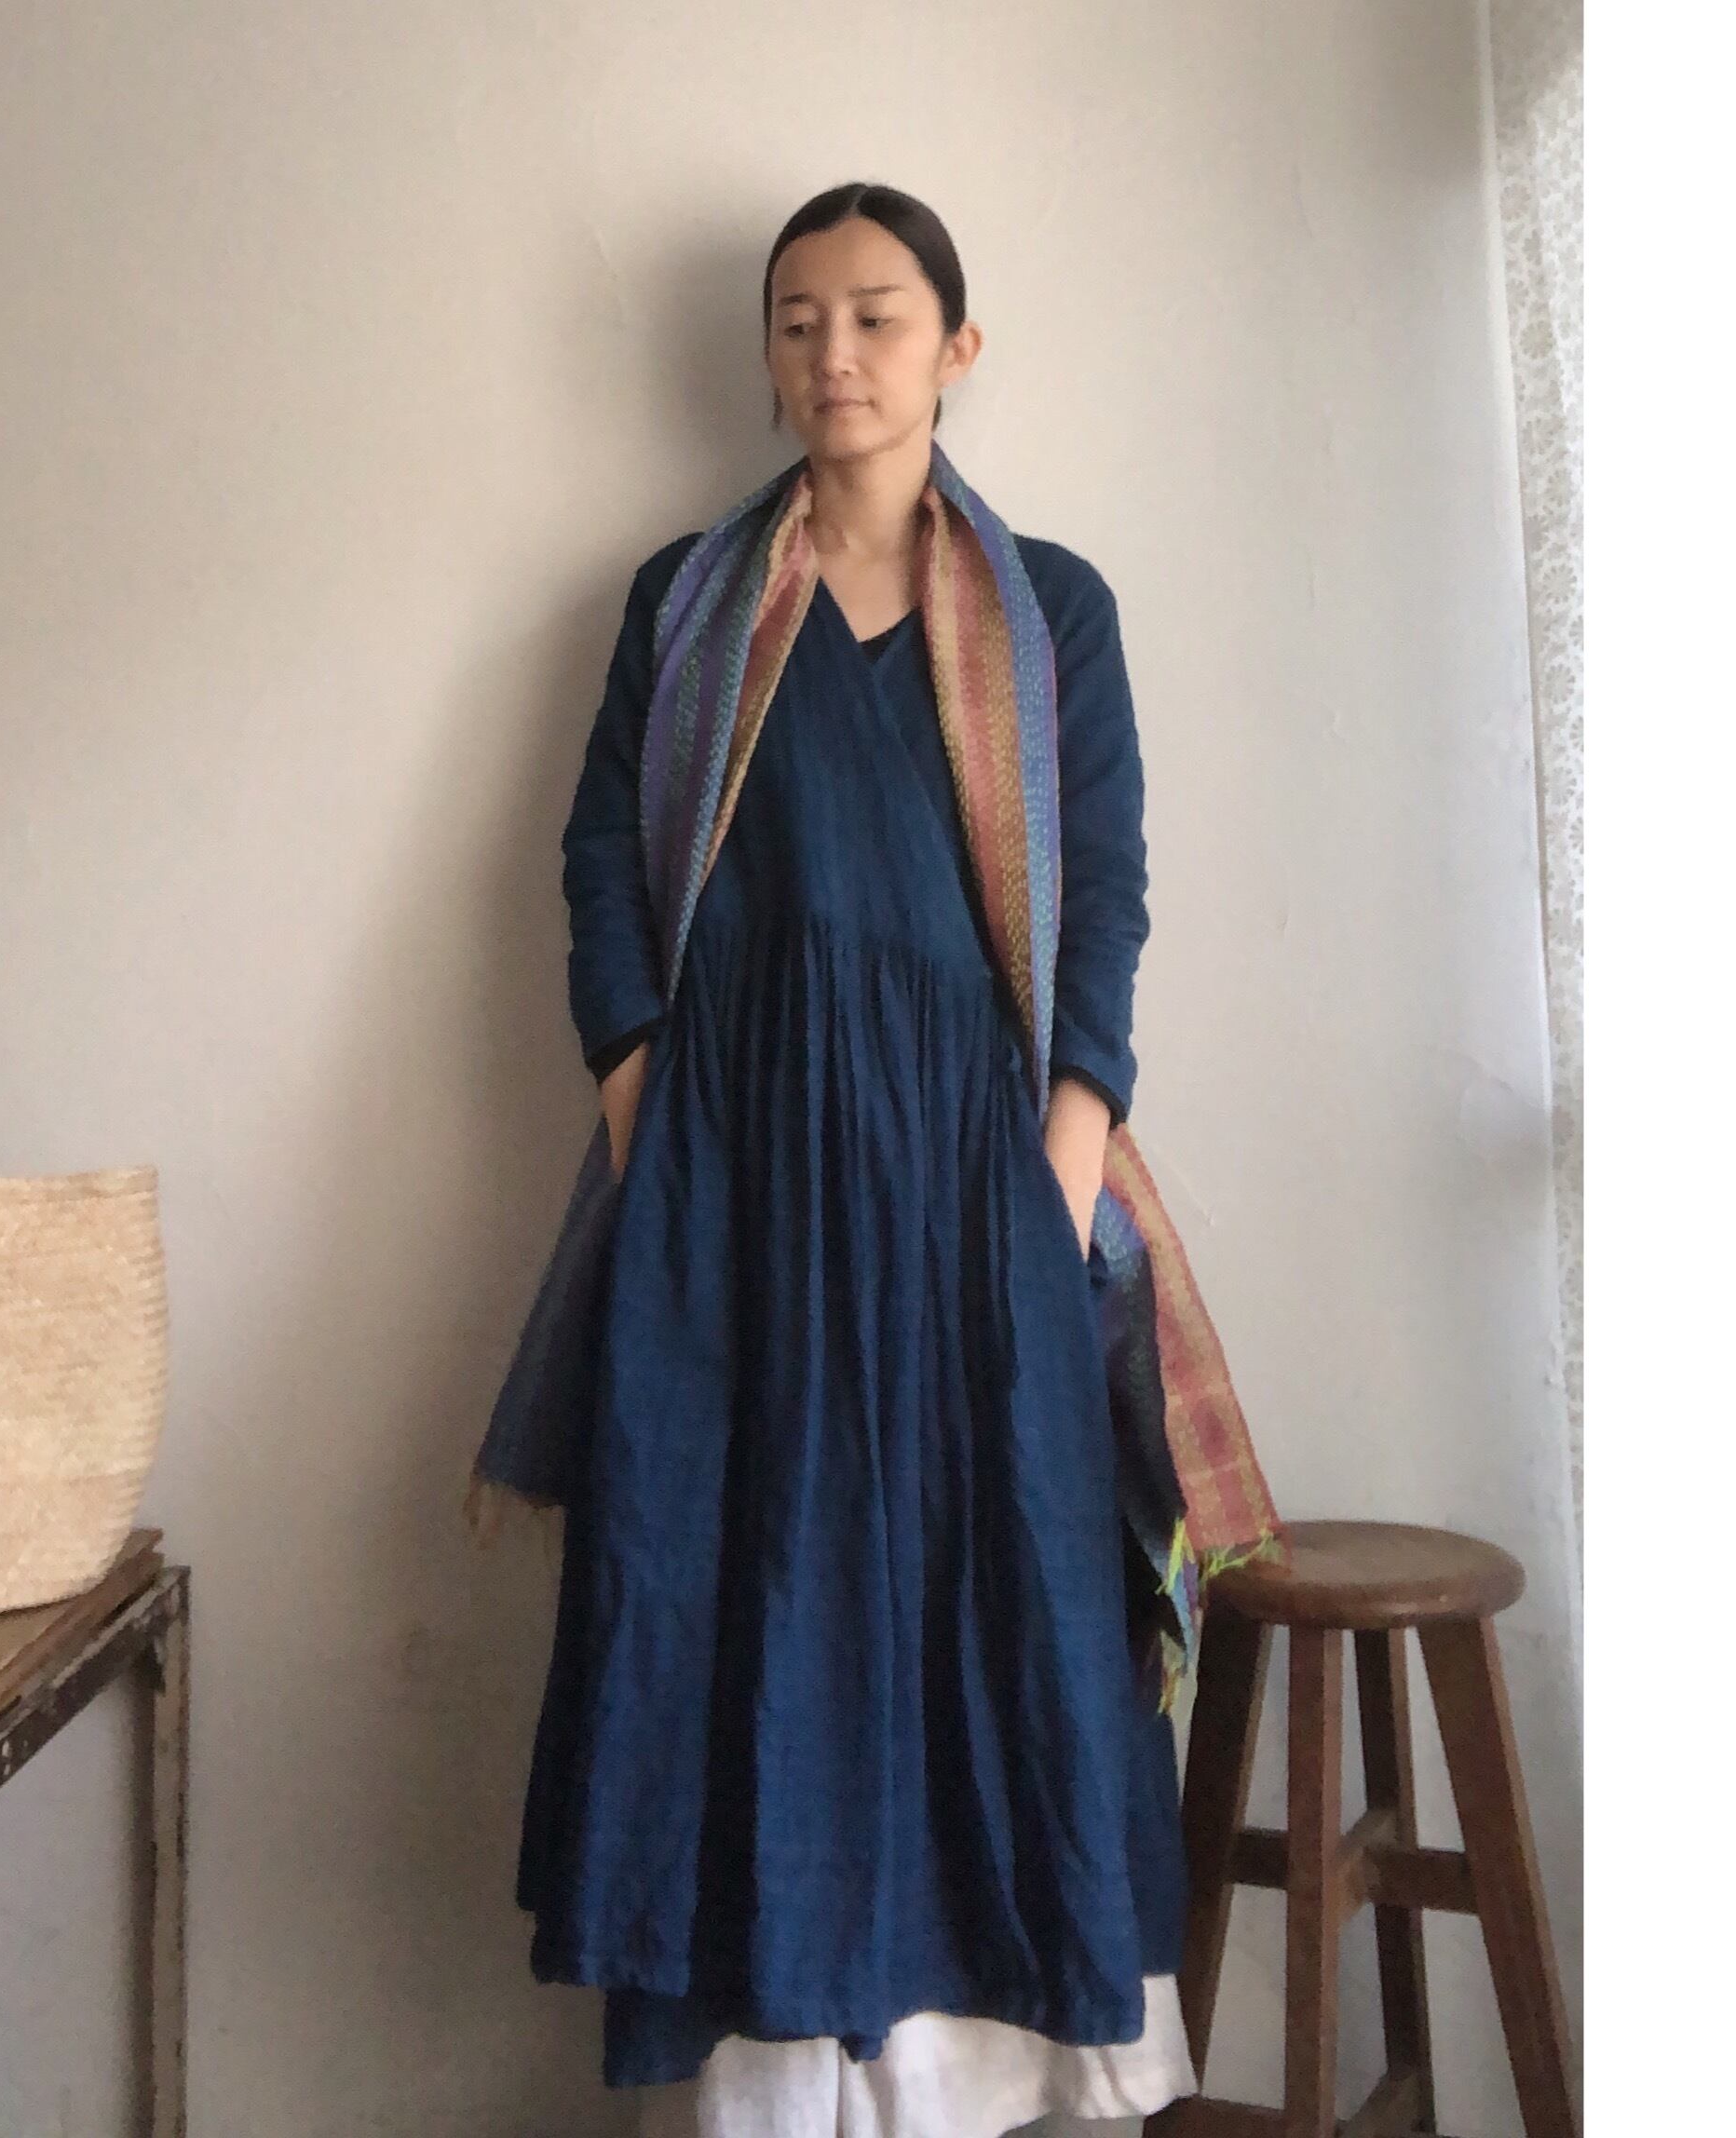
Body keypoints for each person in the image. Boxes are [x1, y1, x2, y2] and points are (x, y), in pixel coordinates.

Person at [496, 181, 1205, 2136]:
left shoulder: (1051, 610)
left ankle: (986, 2077)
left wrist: (1067, 1144)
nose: (835, 353)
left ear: (954, 350)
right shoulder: (686, 602)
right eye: (797, 318)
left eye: (878, 315)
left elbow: (1106, 884)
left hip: (982, 1172)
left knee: (1003, 1587)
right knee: (731, 1579)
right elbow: (596, 856)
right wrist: (635, 1082)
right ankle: (774, 2086)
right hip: (728, 1170)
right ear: (764, 353)